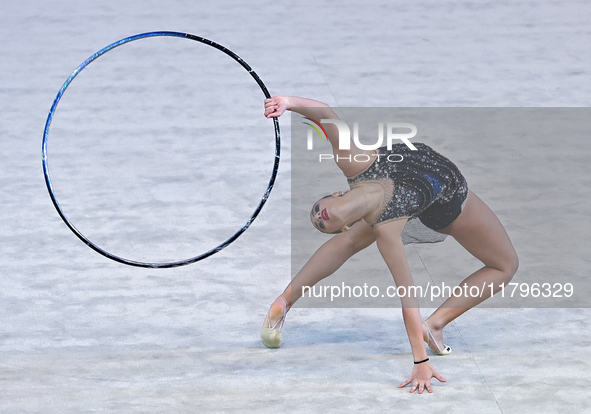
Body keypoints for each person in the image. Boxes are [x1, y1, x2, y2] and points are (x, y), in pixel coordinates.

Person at [261, 96, 519, 394]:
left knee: (356, 238)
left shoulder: (353, 161)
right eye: (321, 225)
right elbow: (408, 298)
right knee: (505, 265)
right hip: (449, 201)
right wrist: (419, 361)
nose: (320, 217)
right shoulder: (386, 231)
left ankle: (285, 300)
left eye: (318, 210)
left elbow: (323, 113)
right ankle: (434, 325)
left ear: (335, 194)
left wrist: (286, 102)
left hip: (435, 175)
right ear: (342, 227)